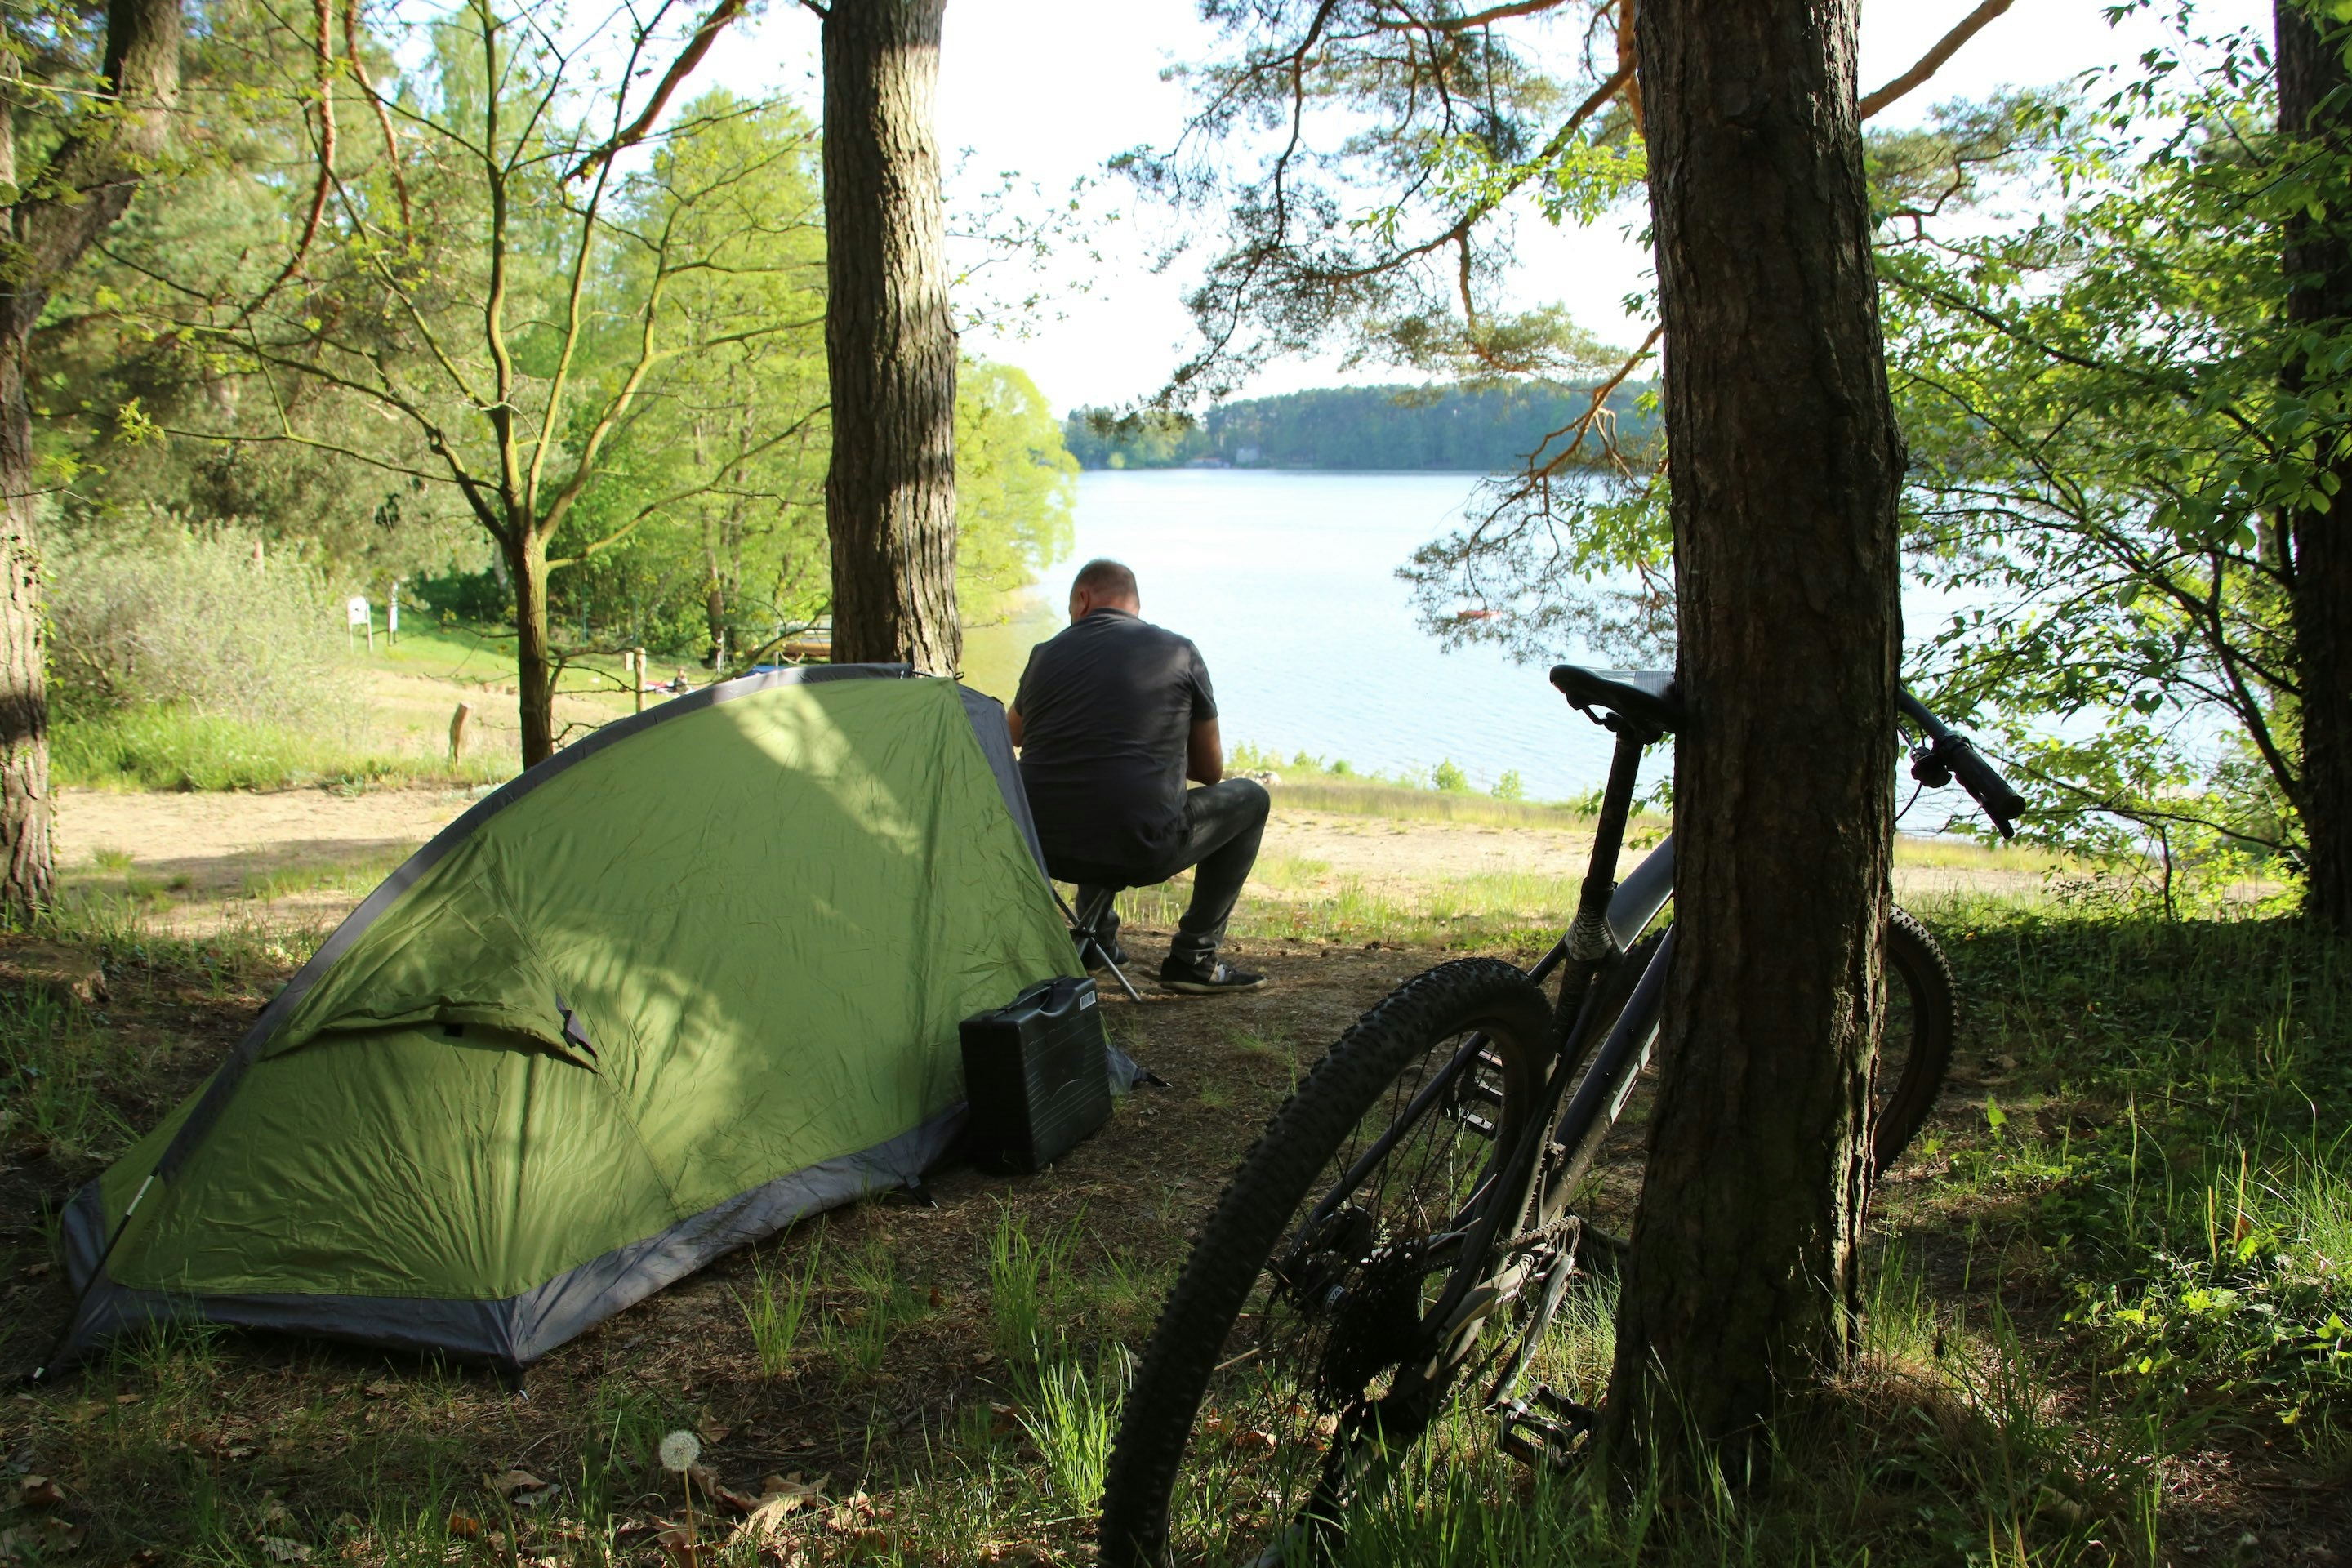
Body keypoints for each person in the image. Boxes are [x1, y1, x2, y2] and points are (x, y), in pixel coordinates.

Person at [1009, 559, 1269, 994]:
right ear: (1134, 606)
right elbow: (1210, 772)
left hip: (1044, 848)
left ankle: (1096, 942)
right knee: (1251, 798)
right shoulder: (1180, 652)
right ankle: (1194, 957)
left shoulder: (1045, 653)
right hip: (1140, 848)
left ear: (1082, 598)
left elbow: (1012, 733)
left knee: (1096, 780)